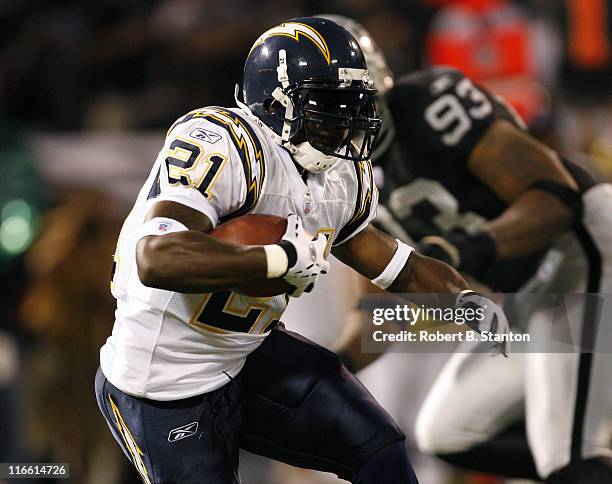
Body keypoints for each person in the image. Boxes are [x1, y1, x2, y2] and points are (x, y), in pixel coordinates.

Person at [94, 17, 507, 484]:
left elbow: (400, 267)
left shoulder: (339, 177)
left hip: (248, 353)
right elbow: (157, 257)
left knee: (380, 454)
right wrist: (276, 260)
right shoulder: (228, 144)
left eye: (355, 105)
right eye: (330, 104)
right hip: (164, 380)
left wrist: (468, 302)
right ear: (276, 100)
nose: (347, 121)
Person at [324, 15, 612, 484]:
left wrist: (463, 251)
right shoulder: (339, 186)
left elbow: (557, 197)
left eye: (344, 105)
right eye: (319, 112)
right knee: (449, 431)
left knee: (567, 447)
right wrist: (325, 370)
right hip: (529, 291)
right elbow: (381, 312)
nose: (338, 126)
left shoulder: (432, 103)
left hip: (579, 248)